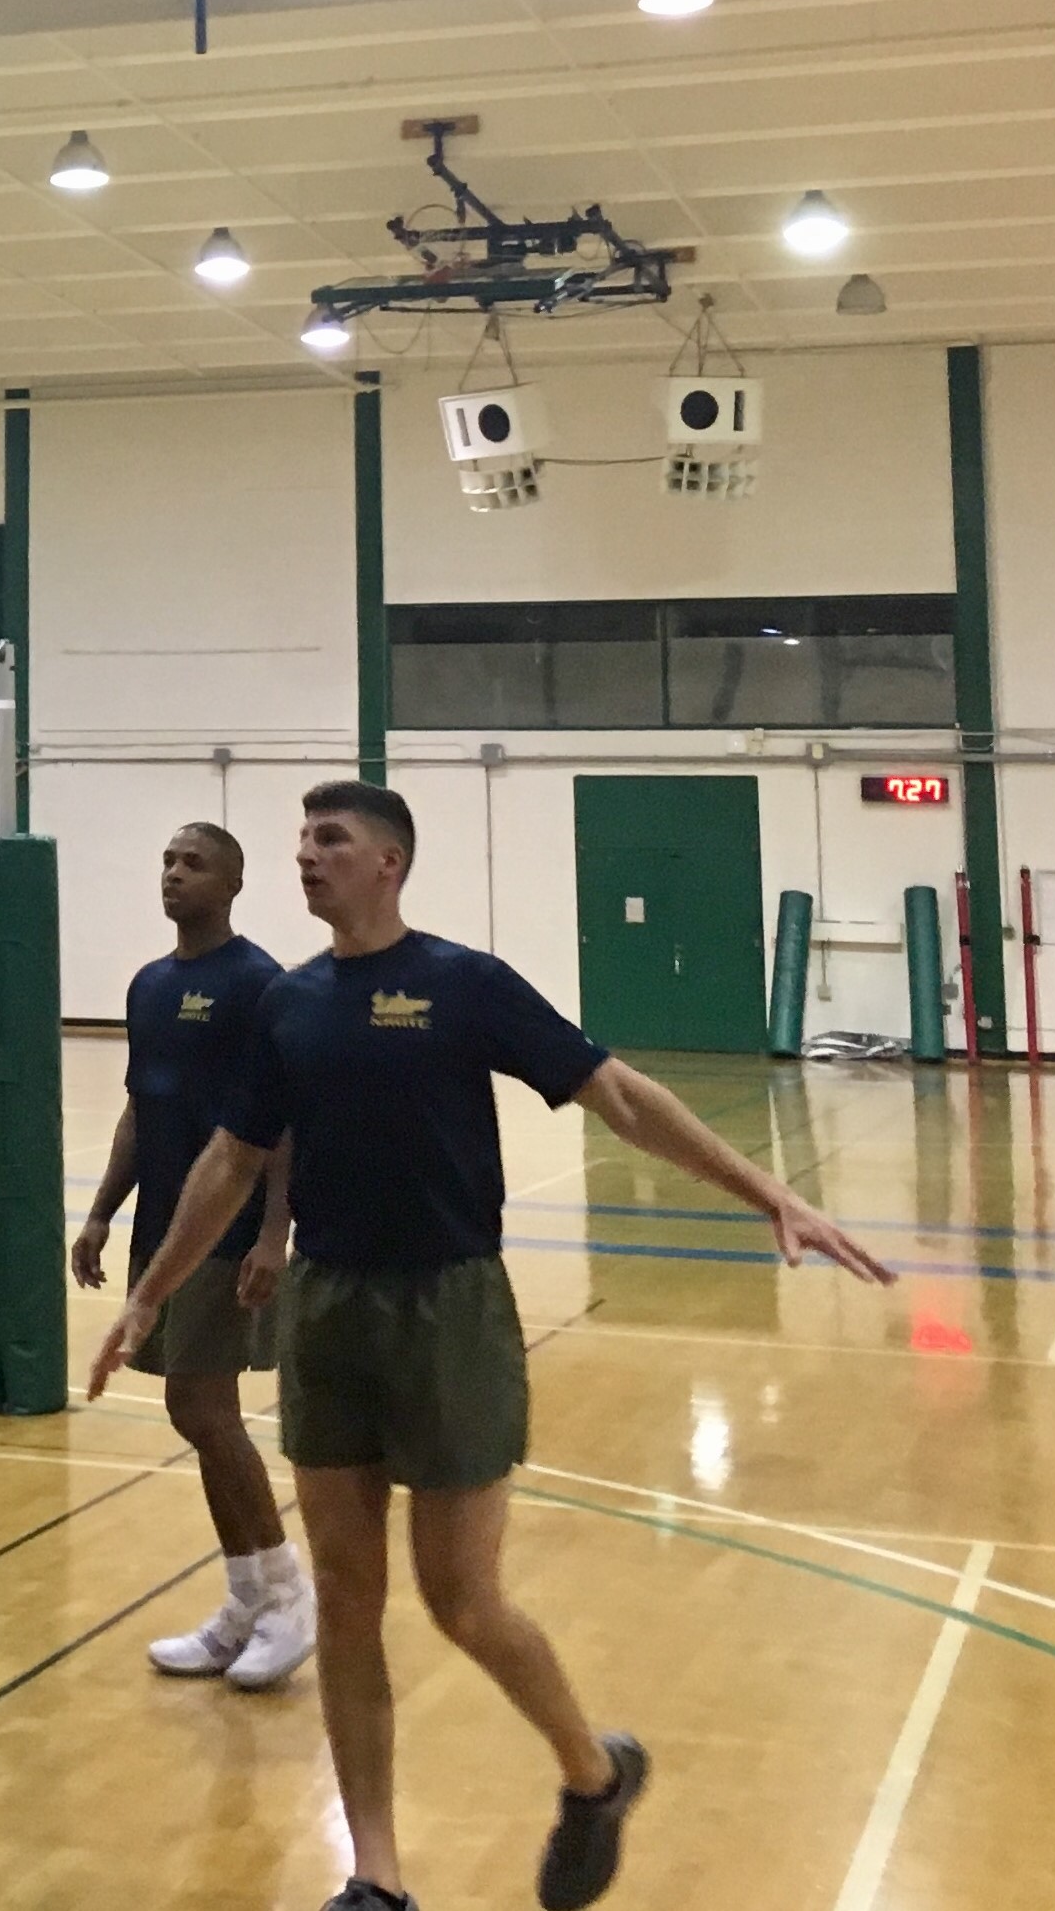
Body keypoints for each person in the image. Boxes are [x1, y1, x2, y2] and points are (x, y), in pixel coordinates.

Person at [89, 781, 895, 1911]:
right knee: (347, 1591)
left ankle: (593, 1770)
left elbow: (616, 1092)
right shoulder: (290, 1001)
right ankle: (374, 1872)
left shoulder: (461, 982)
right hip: (327, 1307)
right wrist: (151, 1298)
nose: (307, 856)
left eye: (331, 840)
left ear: (389, 864)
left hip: (449, 1306)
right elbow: (228, 1159)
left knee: (460, 1598)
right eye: (302, 840)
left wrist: (766, 1192)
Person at [73, 822, 309, 1688]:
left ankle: (284, 1594)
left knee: (205, 1409)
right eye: (167, 861)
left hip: (229, 1228)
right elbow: (142, 1105)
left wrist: (277, 1231)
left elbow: (279, 1122)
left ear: (234, 883)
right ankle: (248, 1598)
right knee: (192, 1413)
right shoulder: (148, 985)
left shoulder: (259, 984)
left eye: (193, 863)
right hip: (161, 1231)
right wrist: (102, 1212)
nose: (173, 874)